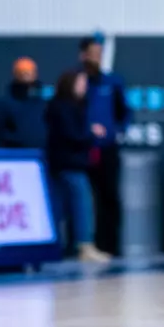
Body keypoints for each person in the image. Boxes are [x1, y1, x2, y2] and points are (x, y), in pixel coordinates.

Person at [44, 69, 108, 263]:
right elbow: (70, 134)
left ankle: (67, 245)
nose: (84, 87)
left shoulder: (76, 106)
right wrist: (90, 133)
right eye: (80, 83)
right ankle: (83, 245)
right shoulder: (62, 107)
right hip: (68, 163)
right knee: (80, 204)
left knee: (64, 205)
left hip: (69, 163)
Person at [77, 36, 130, 256]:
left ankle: (112, 246)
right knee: (86, 198)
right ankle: (87, 245)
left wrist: (116, 132)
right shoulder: (78, 82)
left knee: (110, 196)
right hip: (83, 148)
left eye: (99, 53)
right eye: (92, 53)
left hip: (108, 149)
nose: (96, 57)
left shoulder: (112, 83)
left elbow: (124, 112)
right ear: (82, 55)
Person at [0, 58, 48, 150]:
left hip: (42, 155)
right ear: (16, 74)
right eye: (23, 72)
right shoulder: (5, 104)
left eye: (31, 72)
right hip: (15, 157)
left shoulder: (44, 103)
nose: (27, 75)